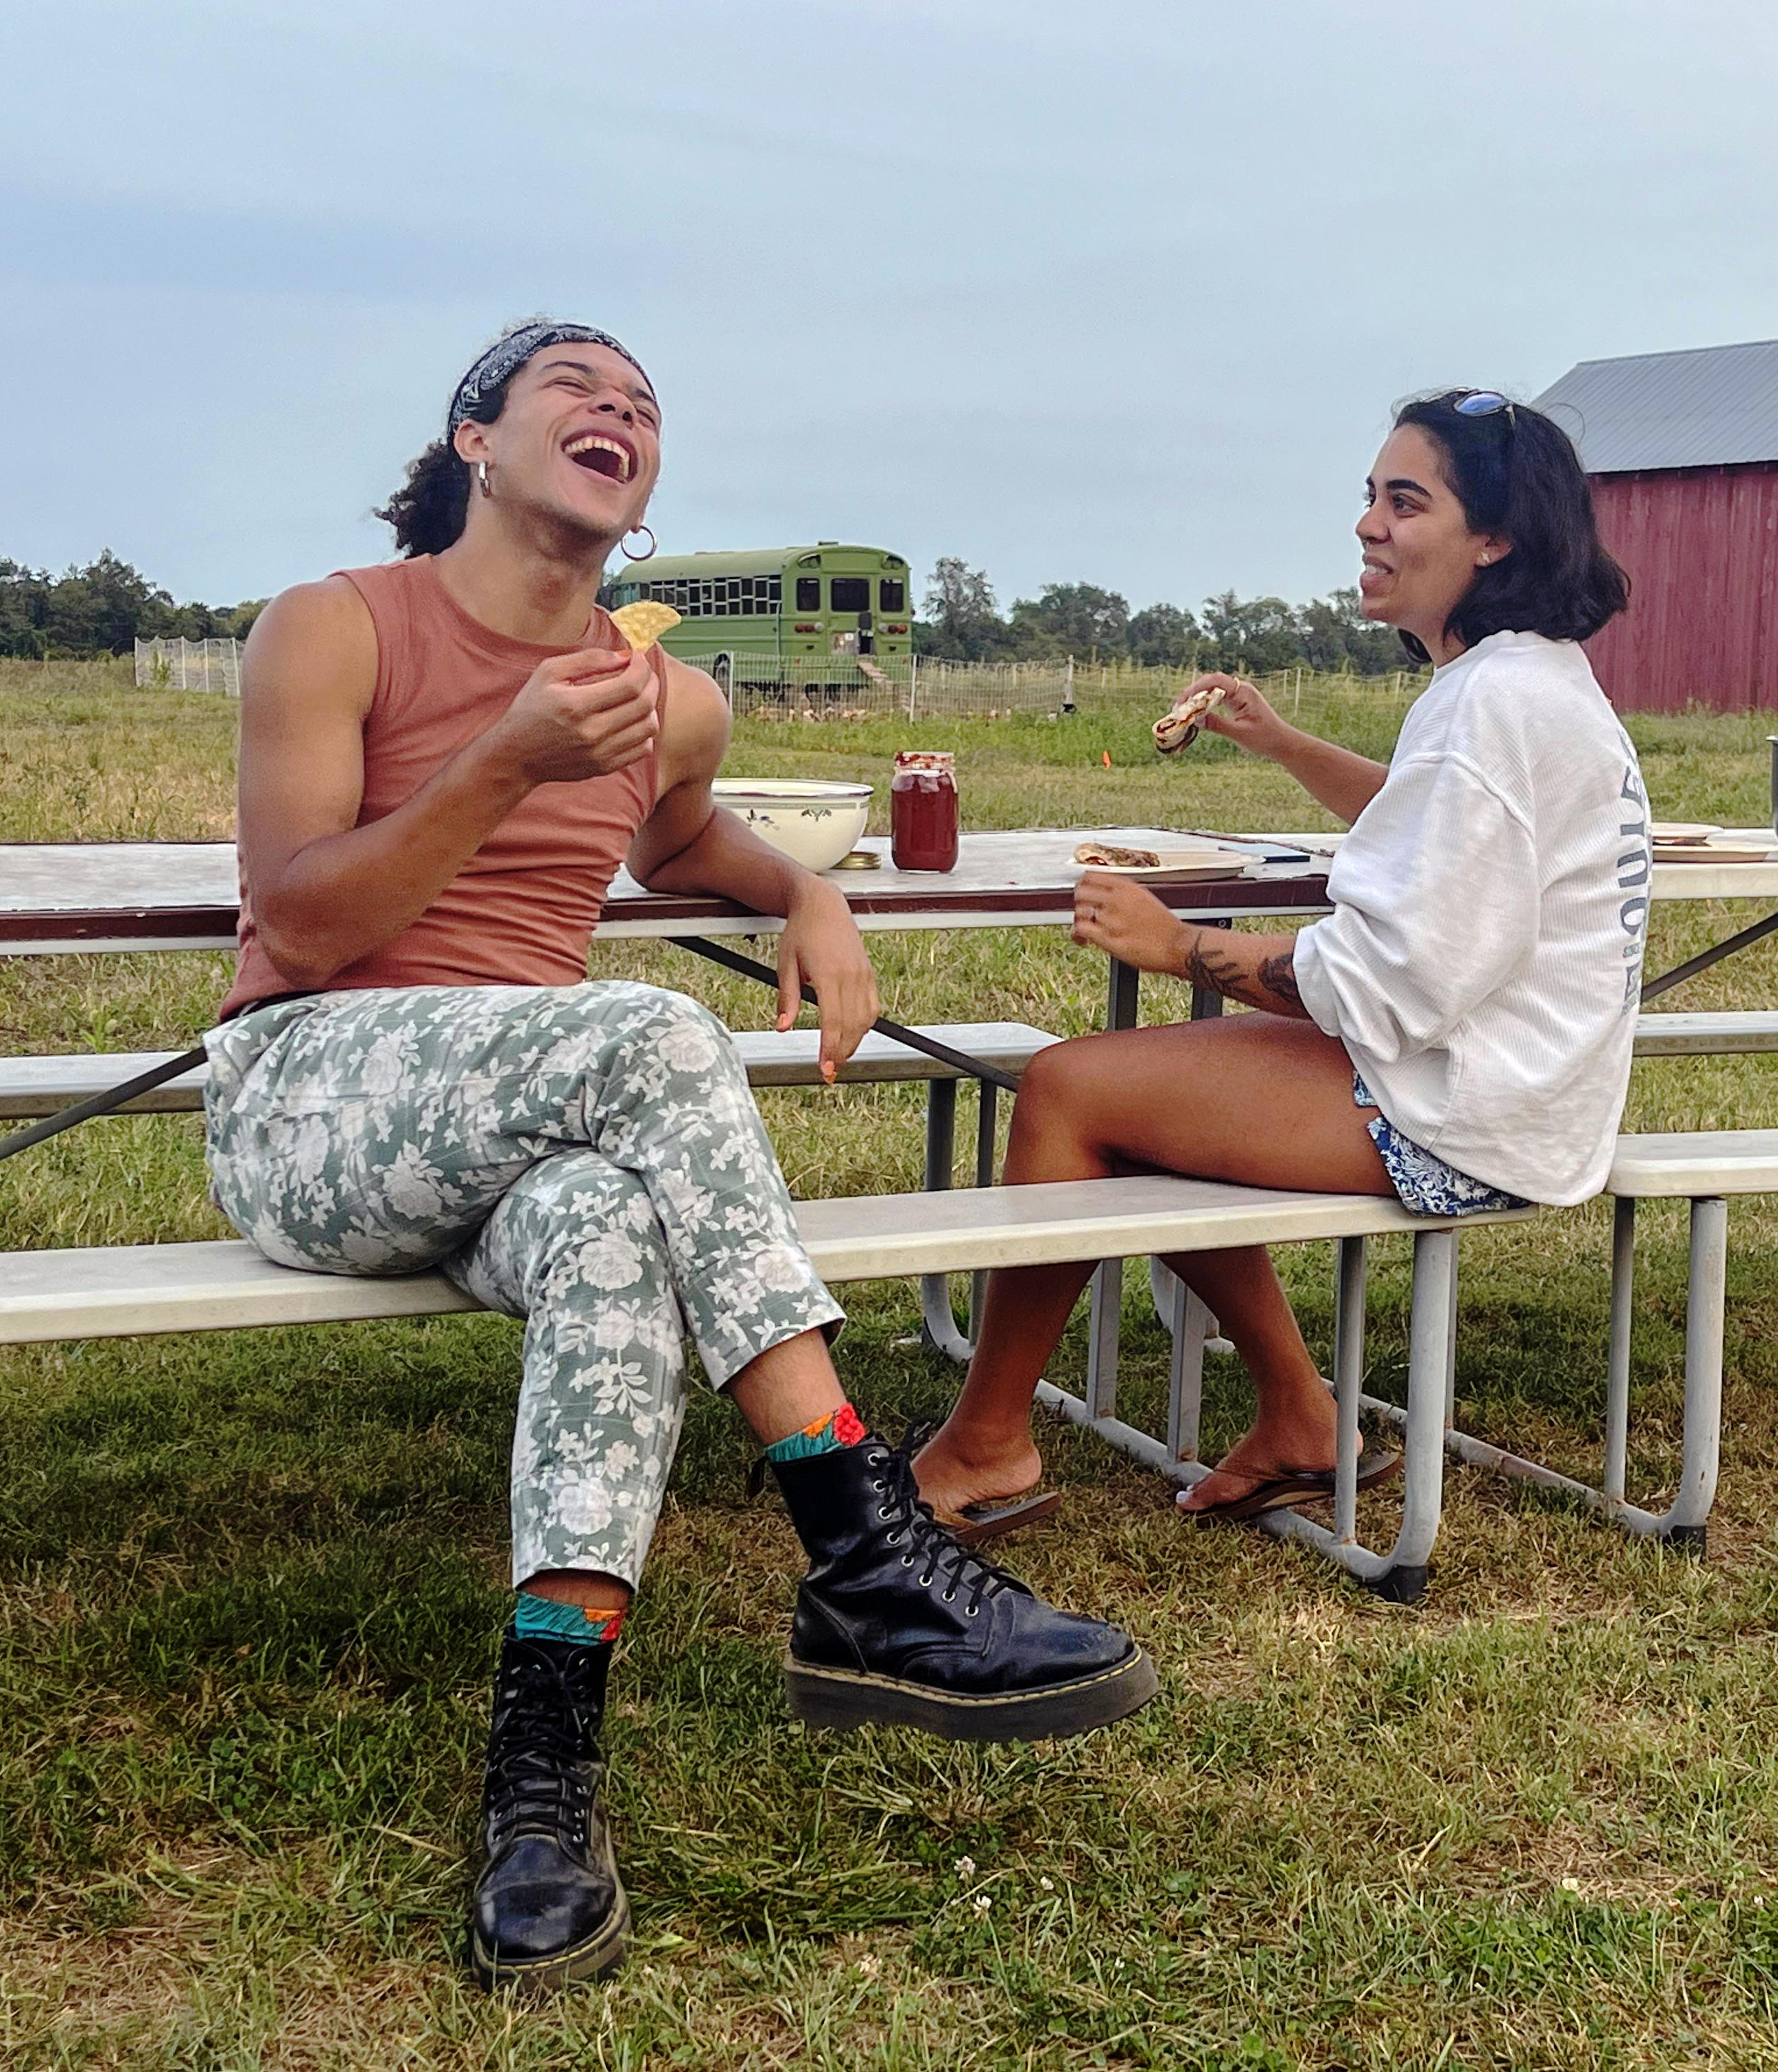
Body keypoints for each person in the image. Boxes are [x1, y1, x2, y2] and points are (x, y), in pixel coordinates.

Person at [203, 319, 1156, 1992]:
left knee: (611, 1232)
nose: (617, 410)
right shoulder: (334, 625)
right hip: (313, 1101)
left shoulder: (669, 698)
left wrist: (807, 889)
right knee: (653, 1032)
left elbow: (680, 838)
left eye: (642, 404)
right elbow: (297, 914)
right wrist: (506, 754)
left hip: (528, 1138)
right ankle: (863, 1544)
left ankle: (543, 1768)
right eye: (575, 386)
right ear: (475, 440)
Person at [913, 388, 1648, 1534]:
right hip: (1524, 1085)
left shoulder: (1493, 704)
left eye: (1406, 502)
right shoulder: (1525, 682)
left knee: (1072, 1087)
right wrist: (1281, 738)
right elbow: (1434, 823)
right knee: (1165, 1087)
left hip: (1471, 1110)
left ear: (1495, 537)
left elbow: (1385, 982)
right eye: (1370, 496)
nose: (1369, 525)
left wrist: (1180, 946)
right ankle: (1301, 1419)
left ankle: (986, 1445)